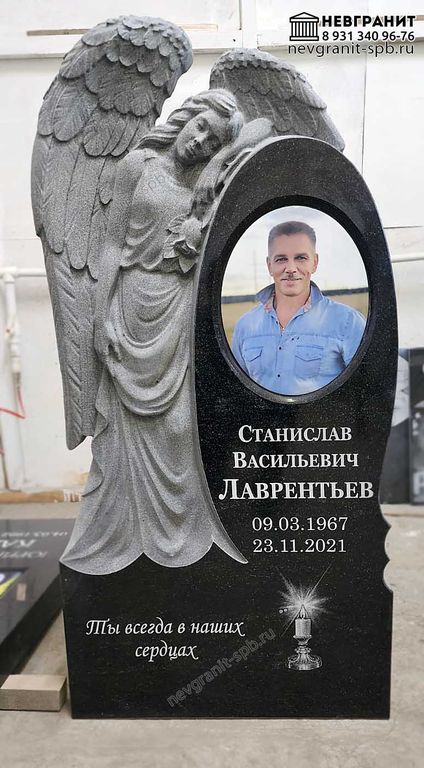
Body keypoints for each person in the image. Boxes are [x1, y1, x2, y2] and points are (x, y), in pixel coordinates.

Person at [61, 90, 254, 574]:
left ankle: (185, 538)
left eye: (213, 140)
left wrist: (221, 161)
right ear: (185, 118)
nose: (201, 140)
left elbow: (263, 129)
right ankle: (125, 537)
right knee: (122, 433)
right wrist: (100, 316)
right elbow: (110, 246)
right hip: (131, 304)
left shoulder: (210, 182)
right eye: (201, 126)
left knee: (180, 427)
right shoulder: (138, 165)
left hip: (178, 309)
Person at [232, 221, 366, 395]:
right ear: (269, 265)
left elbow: (366, 391)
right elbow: (236, 392)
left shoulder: (348, 322)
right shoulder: (245, 326)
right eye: (281, 259)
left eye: (301, 258)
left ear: (315, 263)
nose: (291, 269)